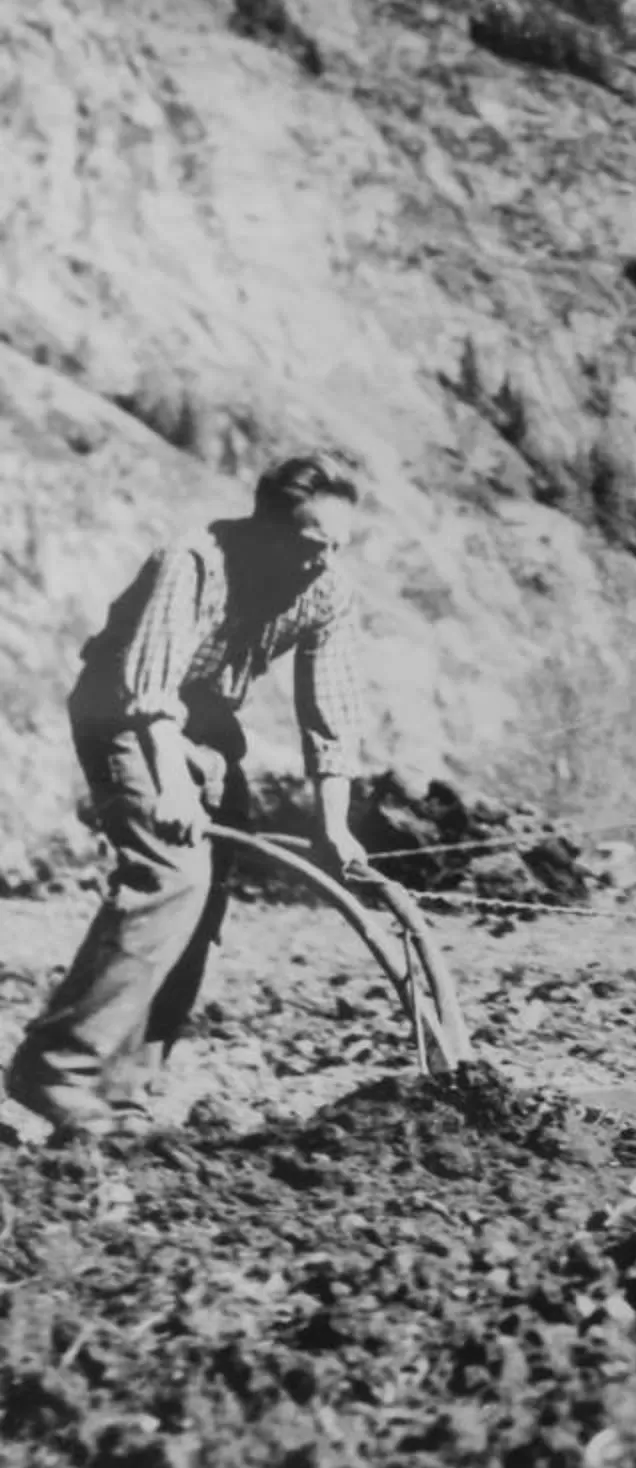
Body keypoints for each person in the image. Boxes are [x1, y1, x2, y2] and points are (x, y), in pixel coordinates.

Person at [7, 454, 378, 1140]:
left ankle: (122, 1097)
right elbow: (146, 690)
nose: (319, 561)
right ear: (265, 525)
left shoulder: (327, 588)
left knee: (204, 905)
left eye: (336, 546)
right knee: (172, 873)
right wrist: (172, 784)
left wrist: (333, 824)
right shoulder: (194, 560)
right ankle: (58, 1067)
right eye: (307, 544)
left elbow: (332, 713)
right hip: (119, 710)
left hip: (208, 724)